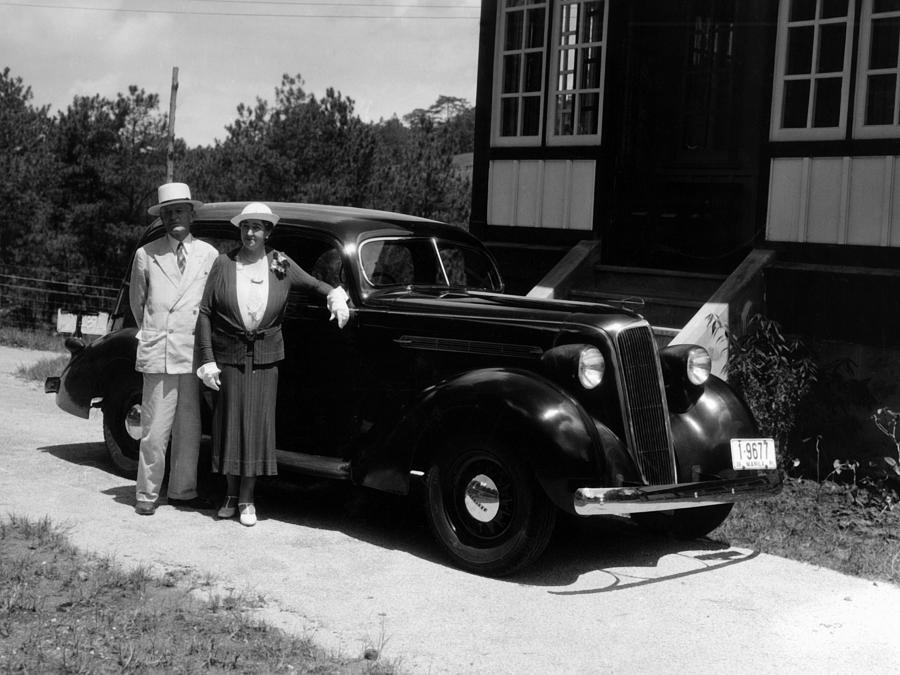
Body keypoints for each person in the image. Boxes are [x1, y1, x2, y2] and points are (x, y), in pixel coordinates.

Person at [196, 202, 350, 526]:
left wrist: (335, 295)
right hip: (229, 356)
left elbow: (313, 283)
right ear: (240, 230)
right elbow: (206, 312)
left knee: (256, 427)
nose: (250, 233)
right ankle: (230, 495)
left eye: (257, 227)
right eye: (245, 226)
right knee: (228, 426)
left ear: (268, 232)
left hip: (265, 358)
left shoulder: (279, 262)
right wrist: (207, 360)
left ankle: (248, 499)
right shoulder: (224, 263)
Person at [130, 182, 220, 515]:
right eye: (167, 213)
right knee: (154, 428)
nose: (173, 218)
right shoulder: (146, 254)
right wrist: (156, 333)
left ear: (191, 214)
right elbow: (138, 306)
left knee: (189, 427)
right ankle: (147, 493)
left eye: (179, 210)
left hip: (193, 353)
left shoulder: (209, 255)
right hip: (159, 351)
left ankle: (183, 490)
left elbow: (208, 305)